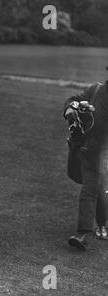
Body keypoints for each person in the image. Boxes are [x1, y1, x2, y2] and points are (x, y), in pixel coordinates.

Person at [64, 69, 108, 250]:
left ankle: (83, 233)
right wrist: (71, 108)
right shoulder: (96, 90)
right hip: (84, 147)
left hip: (103, 152)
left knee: (90, 188)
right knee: (96, 187)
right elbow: (72, 99)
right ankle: (103, 225)